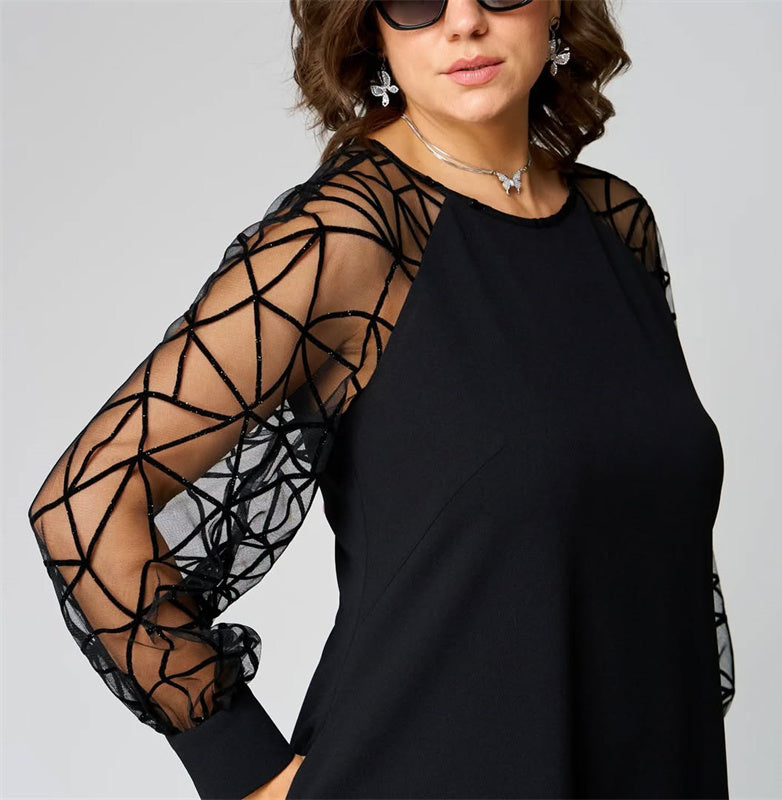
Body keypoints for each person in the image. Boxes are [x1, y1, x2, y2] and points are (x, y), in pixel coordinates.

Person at [26, 0, 736, 798]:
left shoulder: (617, 224)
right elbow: (83, 505)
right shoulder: (350, 239)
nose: (463, 22)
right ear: (371, 28)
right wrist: (242, 767)